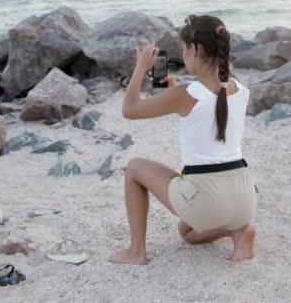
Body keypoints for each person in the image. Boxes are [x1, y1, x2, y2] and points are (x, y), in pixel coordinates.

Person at [109, 15, 257, 265]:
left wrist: (141, 68)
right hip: (245, 199)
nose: (184, 56)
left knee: (134, 167)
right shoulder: (241, 90)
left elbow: (129, 110)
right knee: (186, 233)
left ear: (194, 49)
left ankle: (136, 252)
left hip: (208, 199)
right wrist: (173, 91)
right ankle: (239, 231)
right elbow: (206, 114)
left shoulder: (185, 95)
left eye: (183, 50)